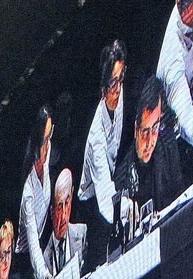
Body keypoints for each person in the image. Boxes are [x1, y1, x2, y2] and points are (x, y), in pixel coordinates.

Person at [78, 39, 127, 264]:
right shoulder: (96, 137)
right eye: (113, 84)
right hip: (92, 206)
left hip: (112, 178)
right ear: (102, 89)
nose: (118, 90)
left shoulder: (120, 92)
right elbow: (105, 199)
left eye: (121, 79)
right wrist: (122, 216)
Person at [116, 77, 187, 229]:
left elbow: (181, 200)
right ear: (136, 129)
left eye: (155, 128)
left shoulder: (168, 146)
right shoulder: (121, 180)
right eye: (145, 131)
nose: (150, 142)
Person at [157, 0, 193, 167]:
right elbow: (184, 115)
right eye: (191, 4)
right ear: (178, 2)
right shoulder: (172, 60)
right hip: (175, 140)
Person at [18, 106, 55, 279]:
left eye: (50, 136)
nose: (48, 145)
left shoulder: (48, 157)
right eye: (44, 139)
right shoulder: (28, 191)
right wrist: (46, 275)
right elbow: (32, 244)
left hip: (42, 247)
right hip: (23, 263)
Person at [44, 168, 85, 279]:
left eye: (67, 203)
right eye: (59, 207)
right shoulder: (44, 260)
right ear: (51, 211)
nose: (63, 216)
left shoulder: (83, 234)